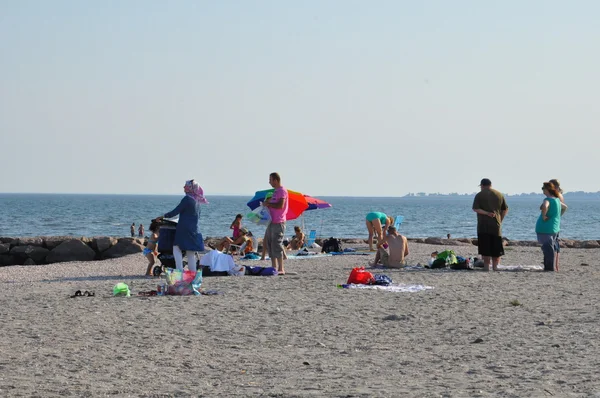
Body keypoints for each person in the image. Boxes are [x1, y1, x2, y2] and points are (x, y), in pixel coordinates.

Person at [156, 179, 207, 272]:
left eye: (186, 186)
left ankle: (179, 270)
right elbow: (198, 215)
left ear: (190, 188)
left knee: (176, 247)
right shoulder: (197, 201)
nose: (184, 187)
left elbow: (176, 211)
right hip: (194, 229)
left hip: (184, 228)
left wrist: (163, 216)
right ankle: (193, 273)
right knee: (190, 252)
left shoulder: (187, 199)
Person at [472, 178, 509, 272]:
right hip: (496, 226)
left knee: (485, 247)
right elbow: (505, 209)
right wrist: (500, 220)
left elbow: (475, 209)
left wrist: (486, 213)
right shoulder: (499, 194)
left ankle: (486, 267)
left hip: (483, 225)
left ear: (482, 185)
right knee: (496, 247)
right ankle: (496, 266)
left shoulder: (479, 195)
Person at [536, 181, 567, 272]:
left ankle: (549, 268)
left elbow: (545, 206)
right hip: (554, 227)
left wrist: (543, 216)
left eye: (543, 189)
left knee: (548, 249)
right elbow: (565, 207)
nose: (542, 190)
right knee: (550, 248)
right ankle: (550, 267)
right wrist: (558, 216)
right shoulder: (557, 200)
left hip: (545, 228)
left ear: (547, 189)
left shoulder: (547, 200)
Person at [262, 172, 288, 274]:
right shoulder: (275, 191)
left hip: (279, 221)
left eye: (270, 180)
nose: (269, 182)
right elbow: (273, 204)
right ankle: (274, 266)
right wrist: (267, 205)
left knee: (277, 243)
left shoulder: (282, 191)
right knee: (270, 244)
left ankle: (281, 268)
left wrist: (269, 204)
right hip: (271, 221)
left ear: (275, 180)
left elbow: (280, 205)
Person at [548, 179, 567, 271]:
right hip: (556, 222)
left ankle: (555, 265)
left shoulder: (557, 196)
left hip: (554, 223)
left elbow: (563, 207)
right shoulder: (559, 195)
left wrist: (555, 216)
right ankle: (555, 265)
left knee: (554, 243)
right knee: (555, 242)